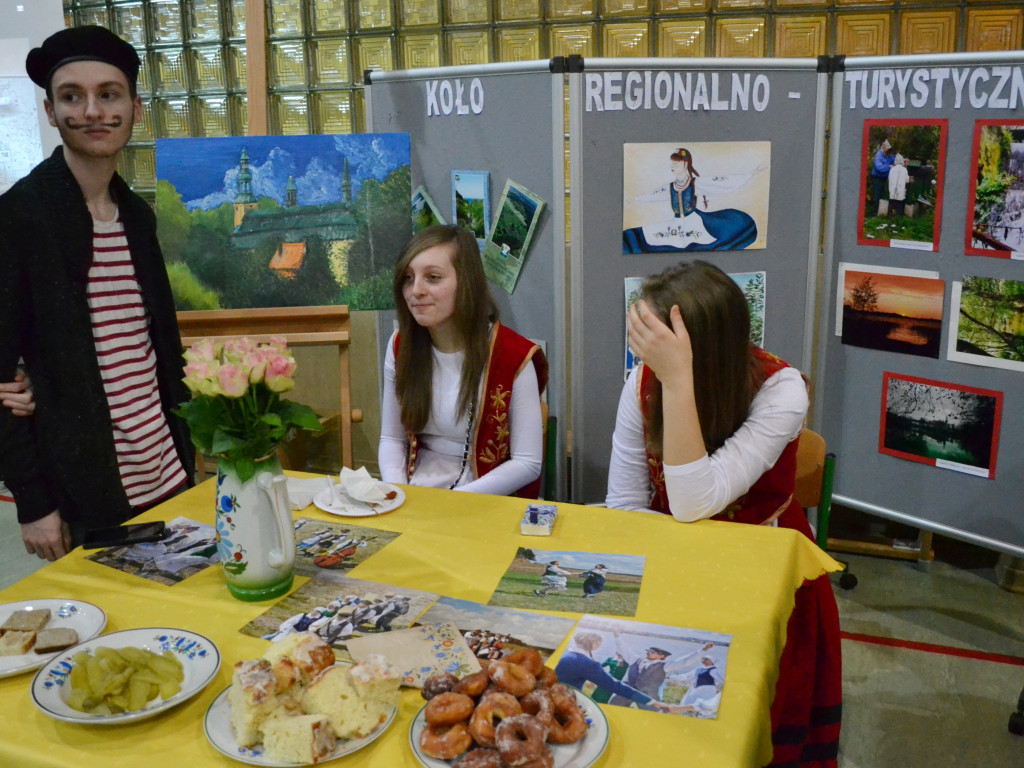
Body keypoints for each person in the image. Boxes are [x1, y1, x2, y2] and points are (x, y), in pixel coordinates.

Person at [605, 260, 842, 768]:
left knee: (735, 720)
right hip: (676, 559)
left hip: (762, 566)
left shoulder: (783, 390)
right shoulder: (643, 380)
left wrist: (676, 380)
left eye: (653, 335)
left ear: (700, 343)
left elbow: (694, 500)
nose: (642, 349)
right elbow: (624, 506)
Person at [0, 26, 194, 562]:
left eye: (108, 94)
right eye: (71, 96)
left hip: (167, 470)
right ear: (49, 110)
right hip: (85, 490)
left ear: (134, 107)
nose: (92, 111)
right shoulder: (19, 218)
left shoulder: (136, 215)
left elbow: (159, 348)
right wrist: (32, 503)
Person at [379, 225, 548, 497]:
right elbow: (391, 440)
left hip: (489, 496)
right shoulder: (400, 345)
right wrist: (398, 493)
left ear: (466, 282)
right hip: (417, 491)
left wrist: (455, 504)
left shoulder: (514, 355)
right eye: (408, 279)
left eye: (432, 277)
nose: (415, 290)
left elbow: (527, 464)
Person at [623, 147, 760, 253]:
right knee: (646, 236)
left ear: (685, 163)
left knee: (695, 241)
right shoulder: (670, 186)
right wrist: (635, 200)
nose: (672, 167)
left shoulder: (695, 183)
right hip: (676, 221)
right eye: (672, 163)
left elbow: (721, 182)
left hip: (694, 220)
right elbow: (653, 195)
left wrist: (749, 175)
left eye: (676, 163)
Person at [553, 631, 669, 710]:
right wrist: (651, 702)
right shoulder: (587, 663)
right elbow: (615, 685)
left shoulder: (562, 652)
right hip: (563, 702)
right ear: (596, 644)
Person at [871, 139, 895, 214]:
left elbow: (895, 161)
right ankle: (875, 213)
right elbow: (879, 167)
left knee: (884, 196)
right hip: (878, 178)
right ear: (884, 149)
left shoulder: (890, 156)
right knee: (878, 196)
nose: (889, 152)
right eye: (887, 150)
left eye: (889, 150)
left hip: (885, 179)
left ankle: (883, 212)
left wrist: (902, 161)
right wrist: (889, 167)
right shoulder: (878, 156)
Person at [887, 154, 909, 218]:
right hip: (900, 194)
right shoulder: (904, 170)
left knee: (891, 206)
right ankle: (898, 219)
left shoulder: (892, 169)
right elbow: (907, 180)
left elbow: (888, 179)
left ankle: (890, 218)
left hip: (892, 193)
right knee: (899, 207)